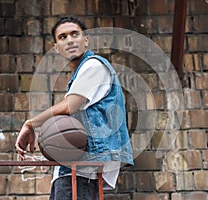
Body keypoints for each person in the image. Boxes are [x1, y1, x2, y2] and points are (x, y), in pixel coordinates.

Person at [15, 15, 133, 200]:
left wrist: (31, 124)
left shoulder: (94, 66)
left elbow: (70, 105)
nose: (69, 40)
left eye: (74, 34)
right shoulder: (80, 74)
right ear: (56, 48)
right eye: (62, 37)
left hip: (82, 172)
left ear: (85, 40)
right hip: (70, 172)